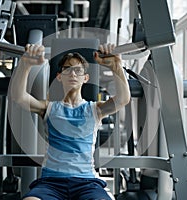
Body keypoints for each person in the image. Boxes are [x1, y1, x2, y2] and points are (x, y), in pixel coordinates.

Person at [9, 43, 130, 200]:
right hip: (51, 183)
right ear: (59, 76)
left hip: (87, 182)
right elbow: (19, 97)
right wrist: (25, 64)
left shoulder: (94, 109)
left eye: (78, 70)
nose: (73, 74)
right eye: (67, 69)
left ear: (85, 78)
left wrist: (116, 66)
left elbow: (123, 99)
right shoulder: (49, 108)